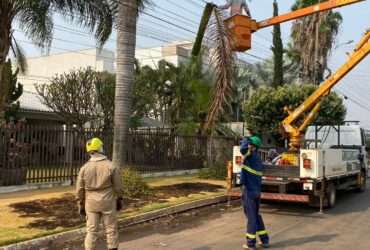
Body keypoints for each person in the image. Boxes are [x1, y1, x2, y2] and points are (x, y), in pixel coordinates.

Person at [76, 137, 124, 250]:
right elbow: (118, 187)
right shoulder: (110, 166)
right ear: (100, 148)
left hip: (90, 203)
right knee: (111, 228)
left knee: (91, 231)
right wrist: (120, 198)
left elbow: (79, 189)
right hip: (107, 201)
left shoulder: (84, 168)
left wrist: (81, 204)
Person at [240, 135, 269, 250]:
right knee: (256, 216)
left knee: (251, 217)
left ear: (253, 147)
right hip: (256, 191)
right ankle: (264, 239)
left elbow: (242, 149)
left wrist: (247, 138)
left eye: (250, 145)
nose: (248, 146)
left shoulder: (250, 156)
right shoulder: (257, 159)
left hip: (249, 192)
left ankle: (250, 243)